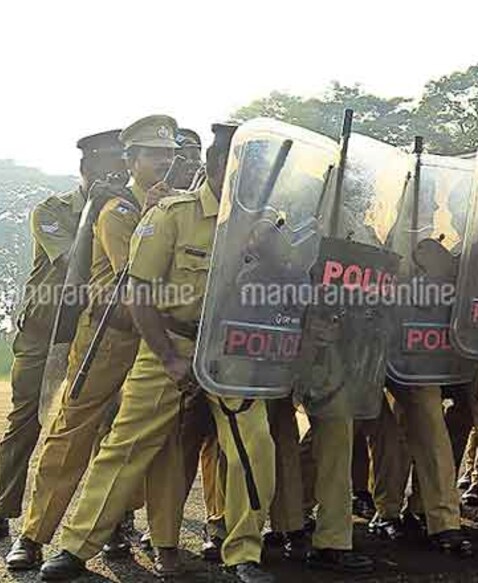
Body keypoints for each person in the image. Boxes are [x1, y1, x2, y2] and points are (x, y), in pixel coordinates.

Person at [37, 117, 283, 583]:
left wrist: (269, 249)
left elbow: (285, 286)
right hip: (169, 343)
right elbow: (138, 293)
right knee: (126, 444)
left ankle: (244, 553)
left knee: (254, 445)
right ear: (216, 168)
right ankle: (74, 547)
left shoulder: (267, 221)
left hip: (232, 350)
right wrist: (169, 357)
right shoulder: (172, 215)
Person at [6, 118, 179, 570]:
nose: (163, 163)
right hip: (108, 336)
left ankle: (153, 540)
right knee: (70, 437)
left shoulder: (172, 208)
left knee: (153, 441)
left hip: (153, 341)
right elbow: (140, 275)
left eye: (168, 155)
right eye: (152, 155)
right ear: (131, 162)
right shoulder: (118, 211)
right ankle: (33, 536)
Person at [0, 130, 125, 547]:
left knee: (107, 425)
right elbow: (74, 259)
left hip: (95, 333)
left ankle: (114, 524)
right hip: (43, 332)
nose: (116, 176)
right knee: (26, 419)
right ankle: (0, 513)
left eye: (121, 169)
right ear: (85, 169)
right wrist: (98, 213)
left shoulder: (127, 212)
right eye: (107, 167)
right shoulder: (52, 211)